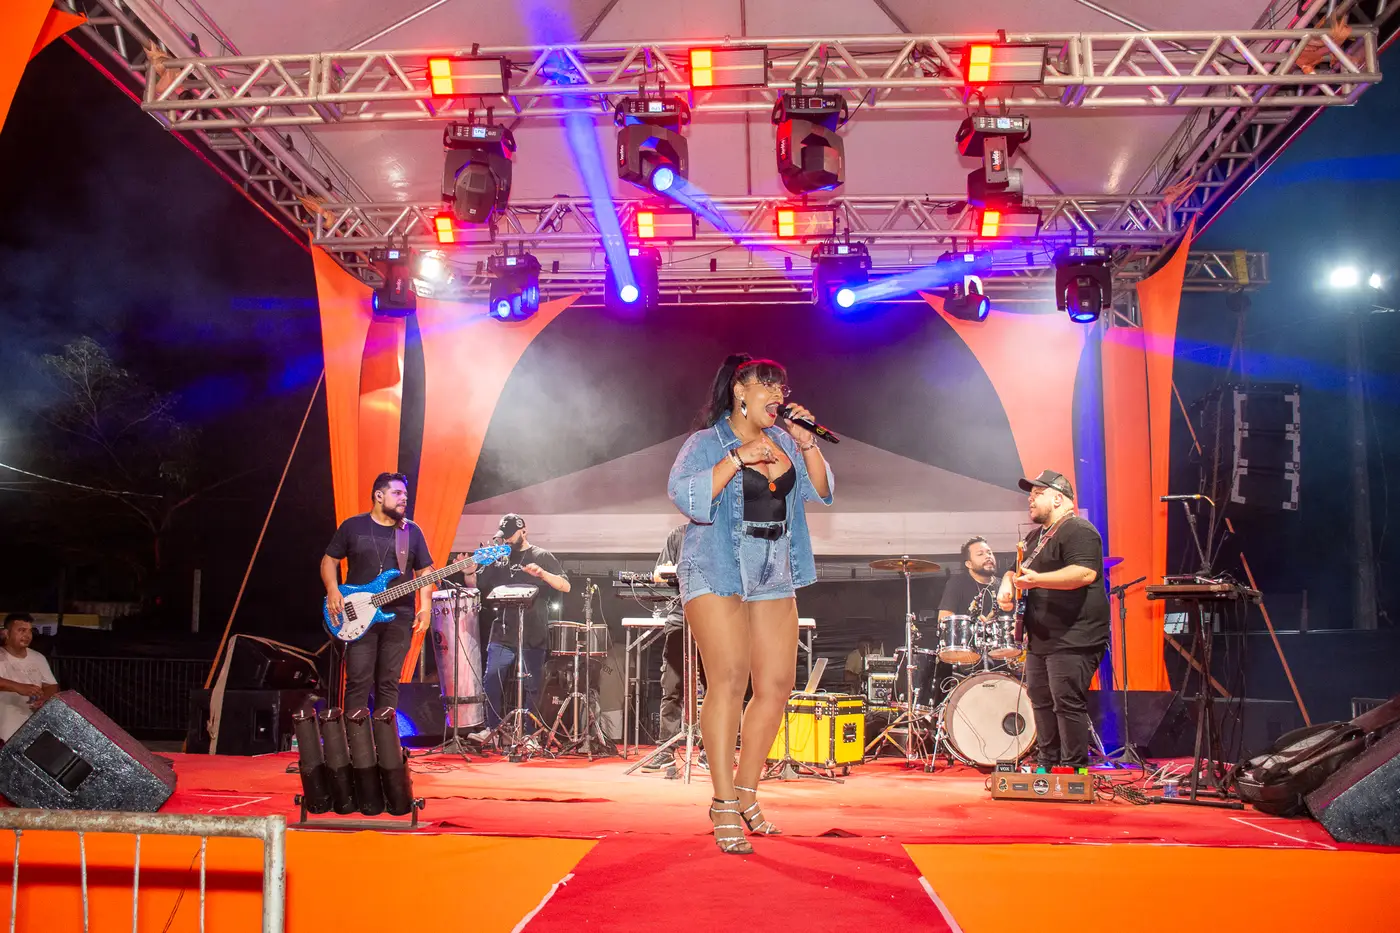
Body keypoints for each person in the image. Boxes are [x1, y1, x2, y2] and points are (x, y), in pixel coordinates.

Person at [667, 353, 834, 854]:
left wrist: (808, 445)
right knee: (729, 678)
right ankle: (721, 802)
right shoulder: (705, 442)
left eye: (782, 388)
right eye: (768, 385)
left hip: (774, 568)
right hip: (716, 562)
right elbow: (686, 497)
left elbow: (821, 491)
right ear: (740, 391)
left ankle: (745, 792)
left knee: (777, 684)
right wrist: (737, 458)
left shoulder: (786, 439)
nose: (779, 395)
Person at [997, 470, 1109, 770]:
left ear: (1058, 498)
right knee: (1041, 700)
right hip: (1041, 638)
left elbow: (1084, 573)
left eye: (1038, 494)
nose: (1030, 499)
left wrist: (1037, 581)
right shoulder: (1035, 537)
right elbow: (1015, 570)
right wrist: (1007, 583)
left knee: (1066, 702)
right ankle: (1047, 765)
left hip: (1075, 635)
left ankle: (1074, 769)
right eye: (1030, 495)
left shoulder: (1078, 530)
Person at [321, 472, 435, 713]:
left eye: (405, 494)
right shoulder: (353, 526)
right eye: (397, 493)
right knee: (358, 680)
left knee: (389, 681)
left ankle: (385, 736)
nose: (404, 498)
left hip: (400, 615)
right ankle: (355, 735)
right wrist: (332, 589)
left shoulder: (411, 532)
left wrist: (425, 608)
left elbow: (425, 572)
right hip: (357, 613)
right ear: (379, 495)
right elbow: (329, 560)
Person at [467, 514, 570, 739]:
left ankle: (530, 735)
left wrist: (541, 573)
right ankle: (492, 730)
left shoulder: (541, 555)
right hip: (503, 630)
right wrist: (469, 572)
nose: (507, 540)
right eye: (503, 536)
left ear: (523, 531)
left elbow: (565, 585)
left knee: (532, 685)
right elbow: (476, 586)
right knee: (492, 677)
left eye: (510, 535)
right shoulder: (499, 559)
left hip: (533, 631)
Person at [644, 523, 691, 771]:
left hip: (713, 619)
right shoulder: (678, 535)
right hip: (679, 617)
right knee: (672, 686)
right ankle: (666, 750)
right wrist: (675, 572)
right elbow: (658, 575)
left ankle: (709, 751)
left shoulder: (722, 532)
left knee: (713, 689)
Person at [0, 614, 59, 742]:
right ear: (6, 633)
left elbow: (51, 685)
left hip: (31, 727)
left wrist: (44, 699)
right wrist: (18, 687)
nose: (27, 635)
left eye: (30, 631)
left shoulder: (38, 658)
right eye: (21, 630)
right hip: (5, 730)